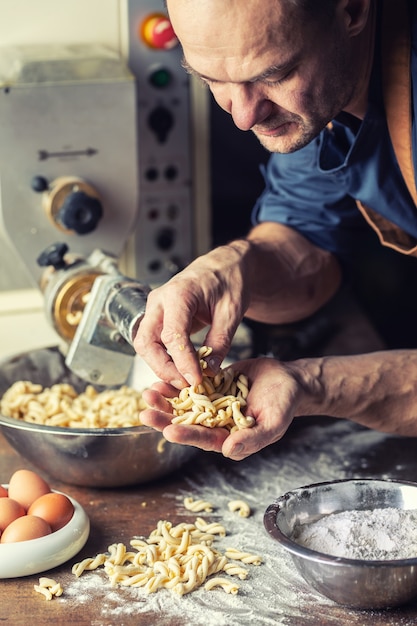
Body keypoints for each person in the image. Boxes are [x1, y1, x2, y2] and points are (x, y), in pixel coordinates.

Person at [134, 0, 417, 461]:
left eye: (273, 74)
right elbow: (305, 240)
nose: (243, 116)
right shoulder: (326, 89)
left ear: (352, 11)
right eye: (211, 79)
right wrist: (233, 267)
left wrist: (312, 385)